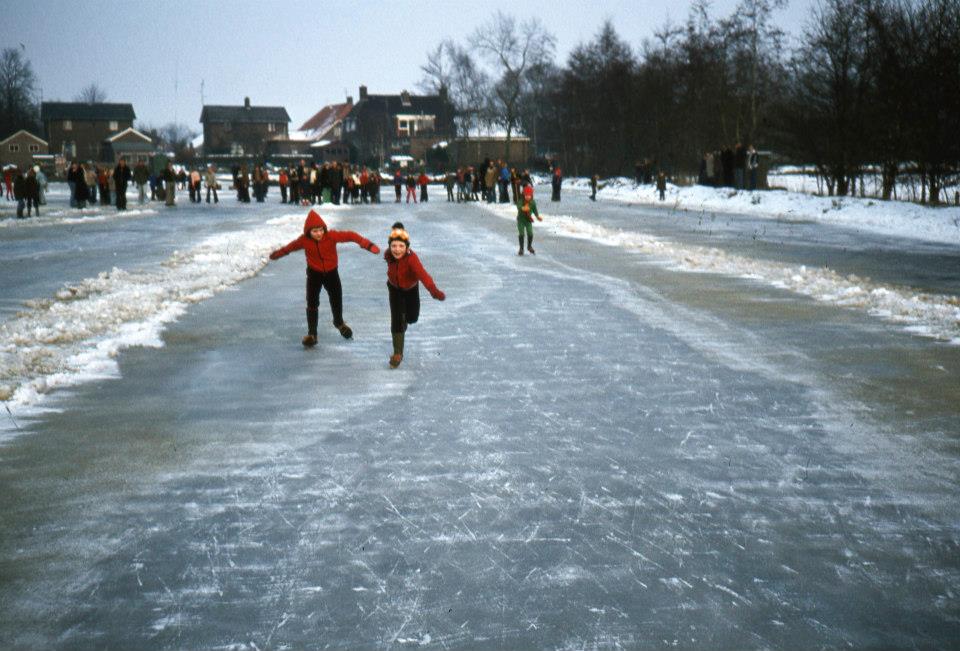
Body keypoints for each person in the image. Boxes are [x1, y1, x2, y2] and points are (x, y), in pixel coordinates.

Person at [268, 210, 381, 347]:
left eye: (321, 230)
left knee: (336, 297)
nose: (319, 233)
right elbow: (290, 248)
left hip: (331, 273)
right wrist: (278, 254)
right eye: (315, 231)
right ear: (308, 232)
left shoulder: (331, 236)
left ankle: (339, 323)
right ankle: (312, 334)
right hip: (314, 274)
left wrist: (367, 244)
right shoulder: (303, 240)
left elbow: (351, 235)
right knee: (312, 302)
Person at [383, 222, 445, 368]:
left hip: (411, 289)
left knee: (412, 317)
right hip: (394, 289)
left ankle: (405, 320)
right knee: (396, 319)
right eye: (394, 246)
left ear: (407, 247)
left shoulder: (412, 259)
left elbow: (423, 275)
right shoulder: (388, 255)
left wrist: (433, 291)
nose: (397, 250)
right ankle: (398, 352)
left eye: (401, 246)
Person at [515, 191, 542, 255]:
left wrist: (537, 216)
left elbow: (535, 210)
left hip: (528, 220)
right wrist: (522, 208)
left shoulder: (532, 202)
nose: (527, 197)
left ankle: (529, 246)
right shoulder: (521, 201)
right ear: (524, 195)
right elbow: (518, 206)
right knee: (521, 233)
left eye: (529, 195)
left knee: (530, 233)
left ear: (531, 196)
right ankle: (521, 248)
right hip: (521, 220)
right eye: (526, 195)